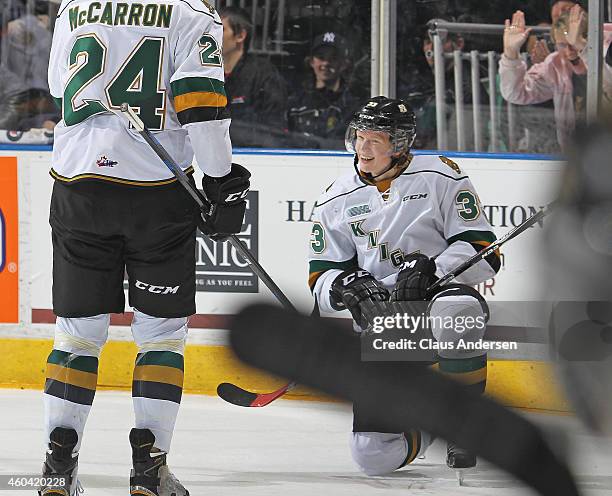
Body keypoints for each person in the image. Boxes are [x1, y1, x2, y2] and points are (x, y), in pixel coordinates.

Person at [41, 0, 250, 494]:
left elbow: (58, 87)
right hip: (157, 196)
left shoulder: (74, 7)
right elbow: (201, 102)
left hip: (77, 188)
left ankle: (56, 469)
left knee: (76, 335)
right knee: (160, 336)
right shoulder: (192, 12)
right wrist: (220, 181)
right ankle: (149, 471)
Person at [307, 96, 501, 477]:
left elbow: (484, 253)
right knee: (372, 455)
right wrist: (346, 285)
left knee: (459, 312)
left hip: (436, 303)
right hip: (387, 327)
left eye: (374, 139)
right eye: (359, 137)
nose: (363, 147)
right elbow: (320, 282)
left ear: (399, 145)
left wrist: (431, 270)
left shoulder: (441, 176)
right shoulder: (334, 198)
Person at [499, 7, 612, 150]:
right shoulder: (555, 65)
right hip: (576, 156)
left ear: (592, 37)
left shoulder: (608, 54)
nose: (569, 52)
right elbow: (515, 93)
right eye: (562, 45)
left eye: (574, 43)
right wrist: (511, 54)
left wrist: (584, 49)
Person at [220, 6, 288, 147]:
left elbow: (274, 131)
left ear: (240, 36)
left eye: (220, 29)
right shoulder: (205, 73)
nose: (211, 35)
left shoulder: (265, 75)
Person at [287, 31, 361, 148]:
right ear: (311, 61)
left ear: (344, 64)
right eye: (321, 57)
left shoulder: (353, 107)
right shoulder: (295, 103)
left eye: (333, 58)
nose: (326, 63)